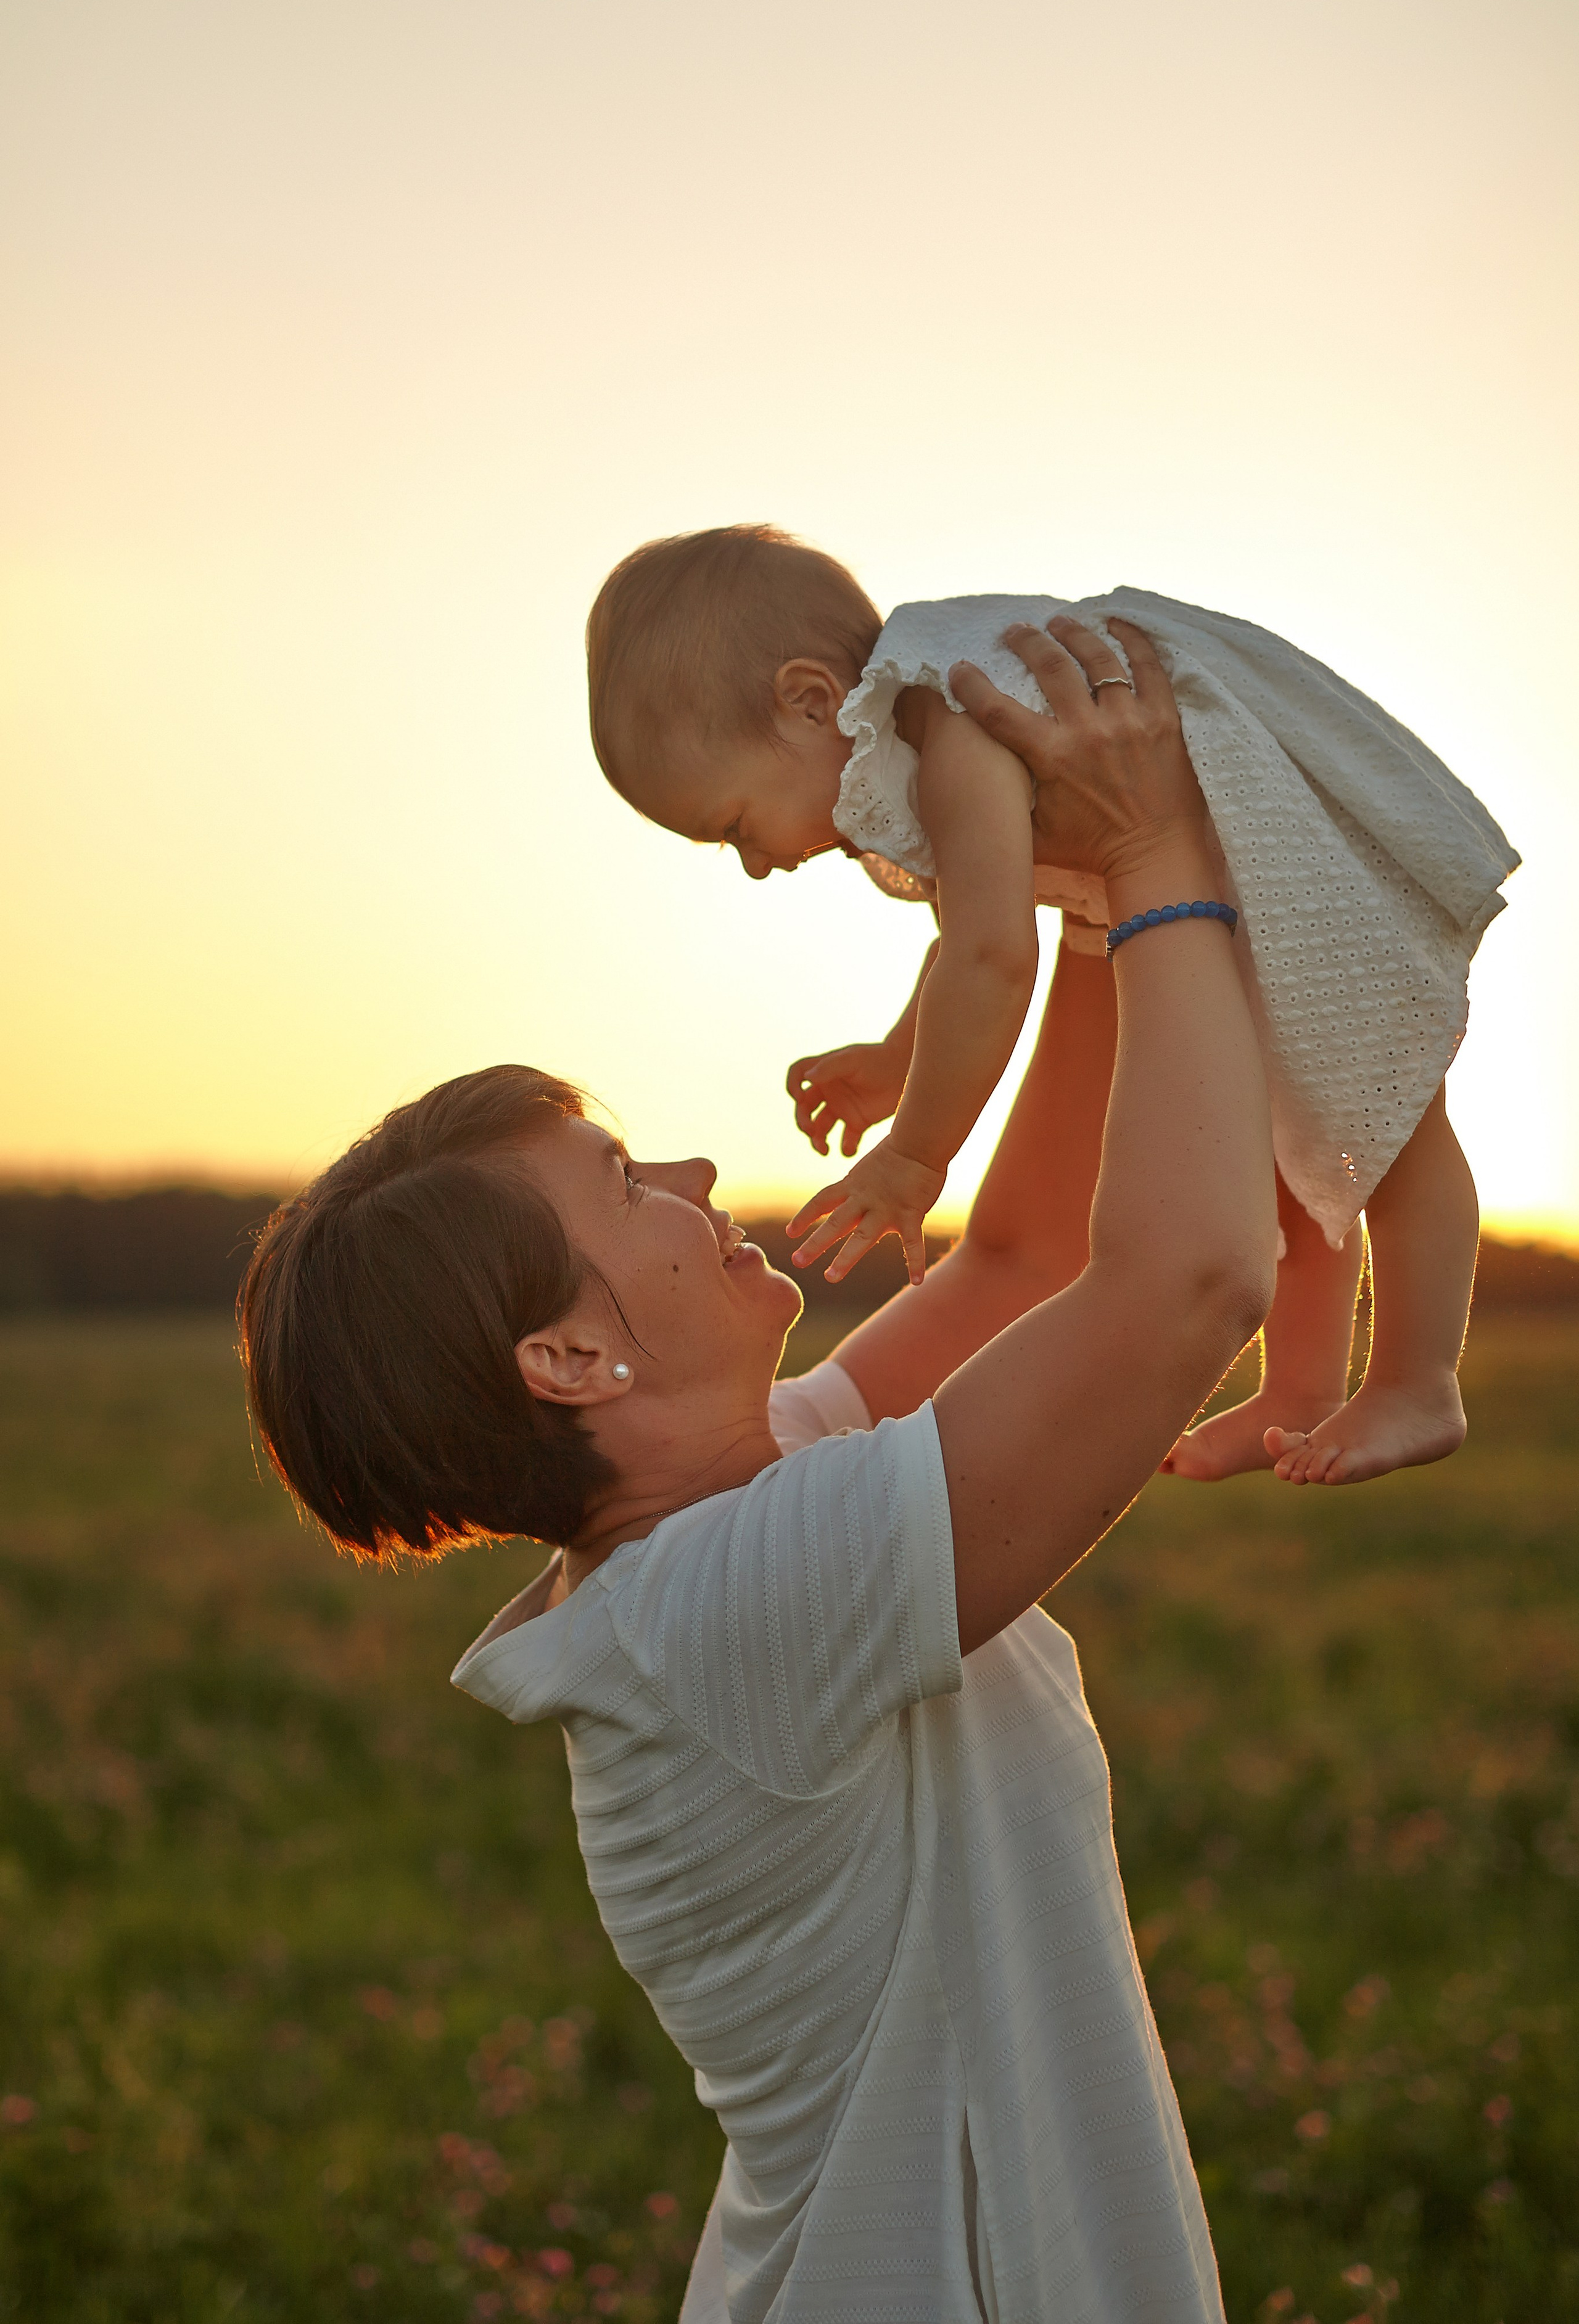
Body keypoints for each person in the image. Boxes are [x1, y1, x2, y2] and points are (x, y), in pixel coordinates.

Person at [241, 615, 1279, 2322]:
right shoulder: (726, 1613)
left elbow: (1016, 1262)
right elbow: (1187, 1280)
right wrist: (1164, 851)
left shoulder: (740, 1504)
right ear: (569, 1361)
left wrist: (1078, 894)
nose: (696, 1165)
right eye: (620, 1181)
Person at [585, 527, 1519, 1486]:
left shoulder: (958, 720)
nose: (754, 863)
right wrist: (898, 1053)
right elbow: (963, 939)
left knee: (1392, 1130)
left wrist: (916, 1152)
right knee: (1283, 1154)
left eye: (735, 825)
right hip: (1228, 893)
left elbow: (995, 958)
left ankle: (1416, 1380)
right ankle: (1301, 1391)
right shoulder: (926, 737)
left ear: (811, 698)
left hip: (1293, 873)